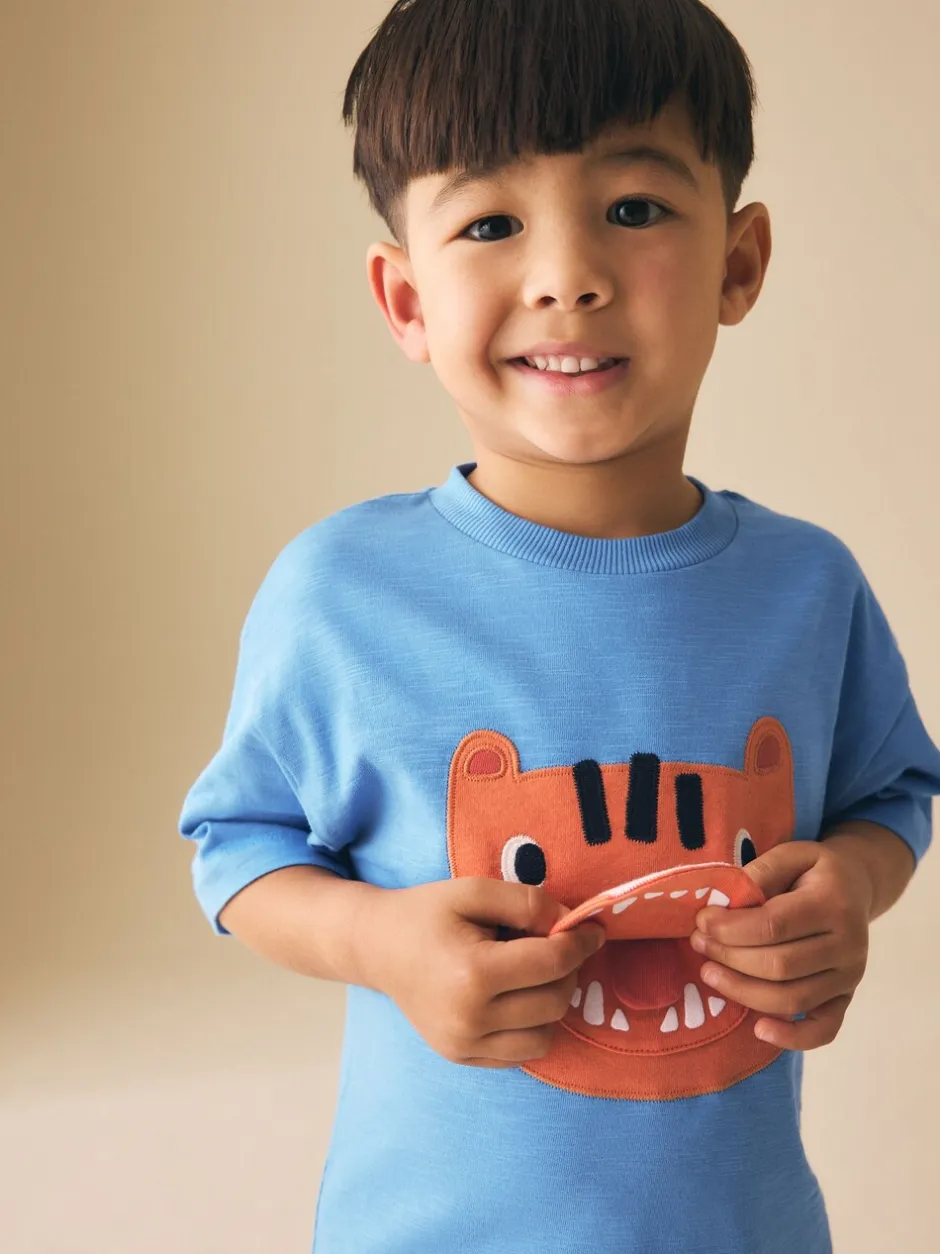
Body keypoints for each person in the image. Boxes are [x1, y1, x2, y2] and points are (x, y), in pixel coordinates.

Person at [177, 1, 940, 1250]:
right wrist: (378, 938)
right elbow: (236, 847)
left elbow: (890, 796)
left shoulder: (808, 588)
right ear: (406, 299)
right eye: (490, 224)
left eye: (633, 208)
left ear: (738, 263)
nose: (565, 275)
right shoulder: (342, 592)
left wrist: (850, 885)